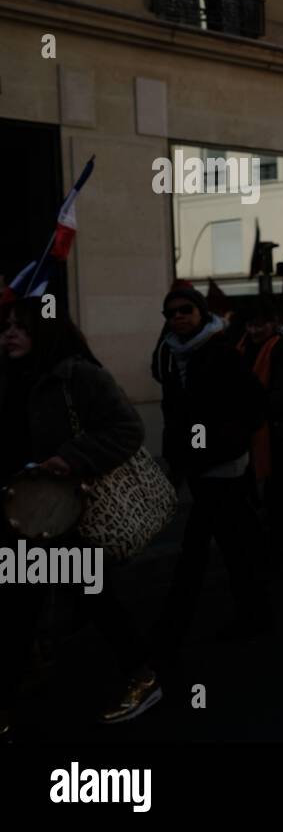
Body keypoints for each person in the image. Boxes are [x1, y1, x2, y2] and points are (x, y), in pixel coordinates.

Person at [0, 299, 154, 733]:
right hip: (17, 516)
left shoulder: (76, 375)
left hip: (60, 515)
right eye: (6, 325)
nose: (10, 333)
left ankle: (143, 674)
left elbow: (126, 430)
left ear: (45, 331)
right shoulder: (10, 374)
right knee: (24, 606)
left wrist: (71, 459)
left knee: (85, 601)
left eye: (21, 326)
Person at [150, 285, 269, 678]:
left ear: (201, 313)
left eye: (186, 310)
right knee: (228, 544)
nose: (178, 317)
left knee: (207, 547)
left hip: (224, 465)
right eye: (170, 313)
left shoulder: (220, 351)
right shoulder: (169, 352)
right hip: (194, 464)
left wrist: (228, 441)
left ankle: (175, 629)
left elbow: (255, 403)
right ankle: (246, 613)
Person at [235, 296, 283, 567]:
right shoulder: (243, 347)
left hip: (277, 436)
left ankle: (275, 556)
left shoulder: (282, 349)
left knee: (278, 501)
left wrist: (249, 406)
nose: (254, 330)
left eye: (260, 324)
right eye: (250, 325)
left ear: (274, 323)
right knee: (264, 499)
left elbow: (281, 395)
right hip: (256, 432)